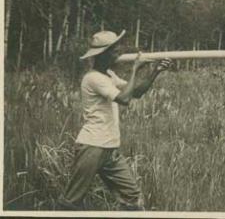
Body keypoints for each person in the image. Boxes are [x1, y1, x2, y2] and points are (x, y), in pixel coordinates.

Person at [58, 29, 173, 211]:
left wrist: (155, 71)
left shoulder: (109, 75)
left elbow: (136, 92)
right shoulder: (93, 78)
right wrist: (135, 67)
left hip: (109, 148)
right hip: (93, 146)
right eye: (114, 50)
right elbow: (124, 99)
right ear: (102, 55)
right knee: (71, 201)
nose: (118, 53)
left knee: (132, 197)